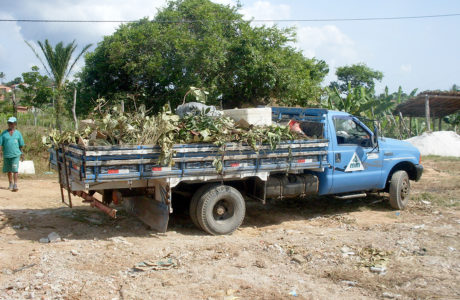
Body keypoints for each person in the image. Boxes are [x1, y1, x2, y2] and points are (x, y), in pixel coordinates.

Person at [0, 117, 25, 192]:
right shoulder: (4, 134)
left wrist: (22, 154)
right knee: (9, 170)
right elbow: (0, 145)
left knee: (15, 170)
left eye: (12, 123)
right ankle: (10, 183)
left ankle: (15, 184)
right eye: (9, 123)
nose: (10, 124)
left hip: (15, 154)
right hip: (7, 154)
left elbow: (21, 145)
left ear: (15, 124)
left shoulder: (18, 133)